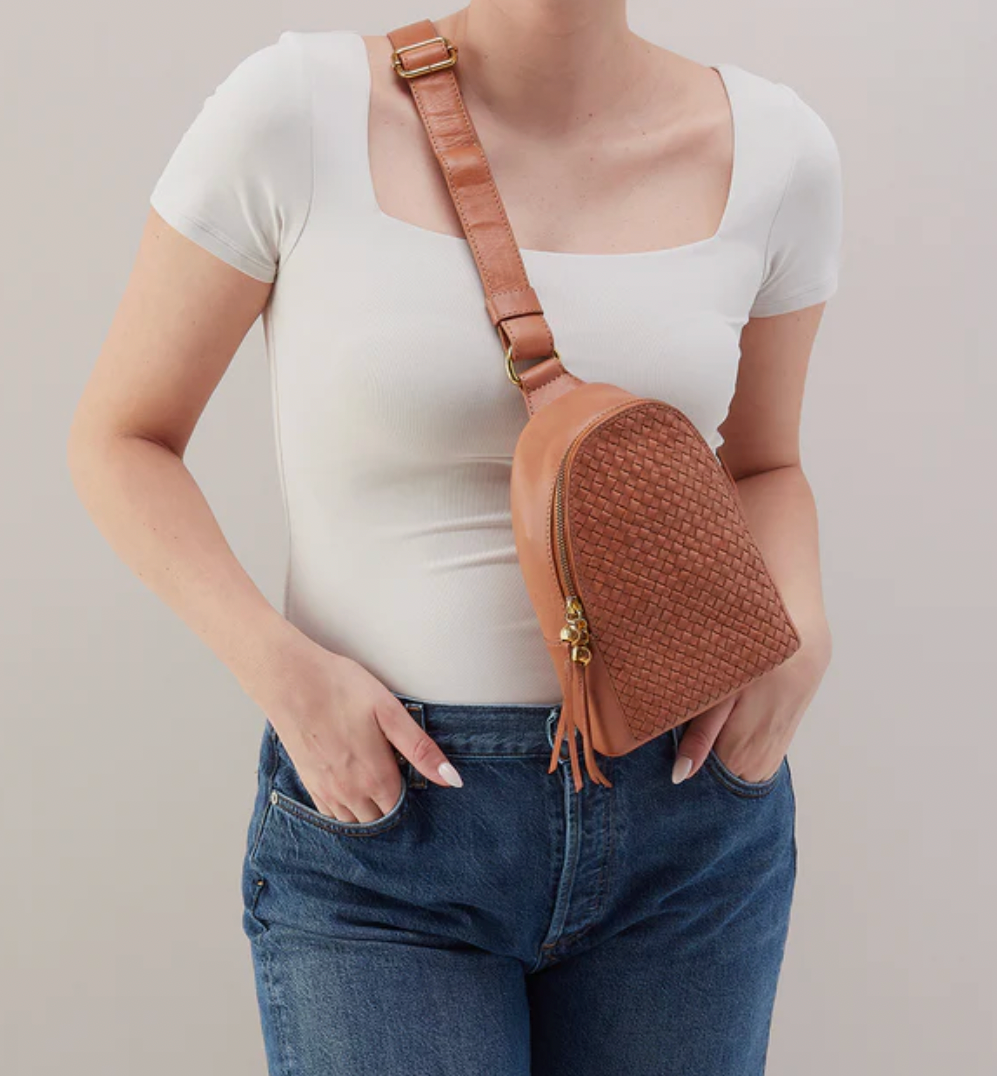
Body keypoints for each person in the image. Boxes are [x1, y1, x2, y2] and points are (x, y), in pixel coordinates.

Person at [67, 3, 842, 1073]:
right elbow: (121, 437)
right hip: (391, 824)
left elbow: (763, 464)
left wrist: (800, 634)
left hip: (685, 817)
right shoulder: (298, 112)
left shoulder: (776, 150)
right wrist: (286, 678)